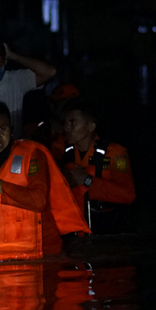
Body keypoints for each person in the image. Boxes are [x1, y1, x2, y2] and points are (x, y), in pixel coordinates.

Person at [0, 101, 89, 263]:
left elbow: (38, 201)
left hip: (32, 260)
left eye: (2, 129)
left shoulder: (32, 155)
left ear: (11, 130)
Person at [50, 97, 135, 232]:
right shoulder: (59, 149)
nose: (66, 128)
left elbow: (128, 195)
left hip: (107, 227)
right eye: (65, 123)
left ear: (90, 126)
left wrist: (87, 180)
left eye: (73, 123)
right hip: (73, 228)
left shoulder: (114, 153)